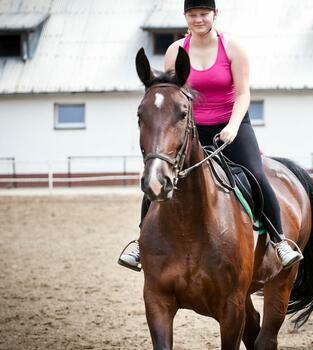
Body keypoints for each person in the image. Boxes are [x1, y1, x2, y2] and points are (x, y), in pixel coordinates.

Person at [119, 0, 302, 271]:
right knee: (159, 173)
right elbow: (171, 96)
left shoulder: (233, 49)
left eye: (203, 14)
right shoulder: (175, 51)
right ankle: (140, 241)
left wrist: (232, 126)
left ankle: (279, 240)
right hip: (190, 128)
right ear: (185, 17)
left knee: (256, 173)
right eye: (192, 15)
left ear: (215, 14)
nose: (198, 20)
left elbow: (243, 94)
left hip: (232, 125)